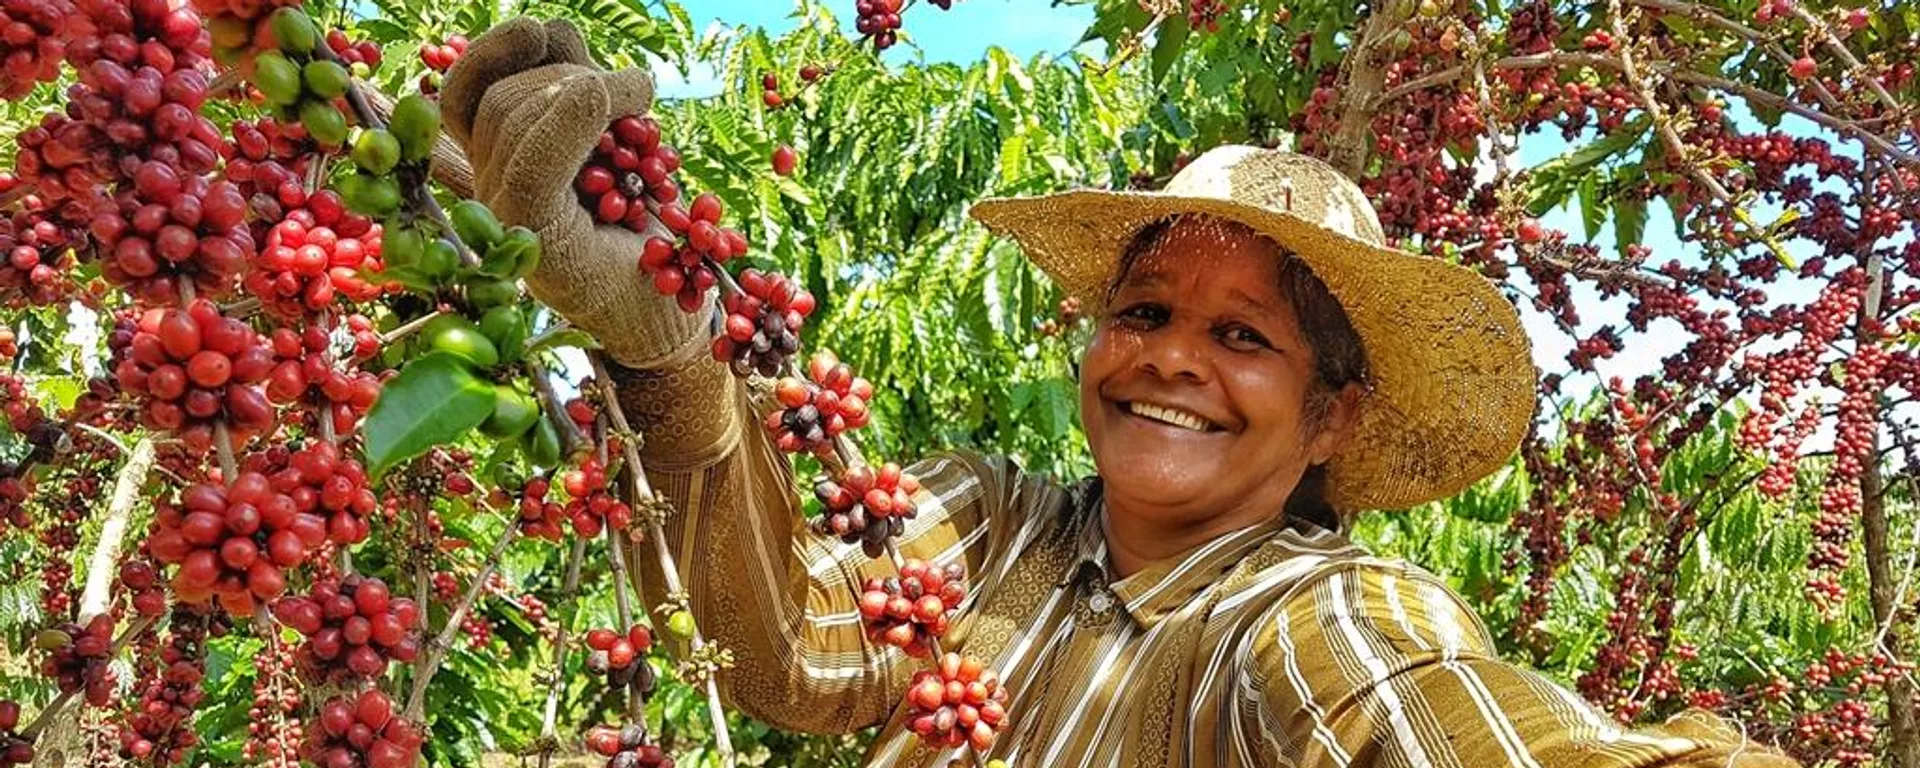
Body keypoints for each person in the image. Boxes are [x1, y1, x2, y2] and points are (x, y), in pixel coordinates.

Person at [441, 19, 1800, 768]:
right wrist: (674, 361)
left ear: (1332, 417)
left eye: (1244, 337)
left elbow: (1458, 726)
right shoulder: (984, 523)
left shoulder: (1312, 613)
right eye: (1142, 314)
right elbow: (788, 648)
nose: (1169, 358)